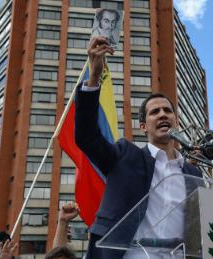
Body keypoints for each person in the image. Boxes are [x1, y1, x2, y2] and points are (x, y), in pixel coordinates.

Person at [75, 36, 202, 258]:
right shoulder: (125, 155)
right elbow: (86, 136)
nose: (162, 114)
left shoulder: (194, 173)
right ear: (143, 126)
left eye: (167, 111)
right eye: (155, 112)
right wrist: (94, 76)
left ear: (176, 121)